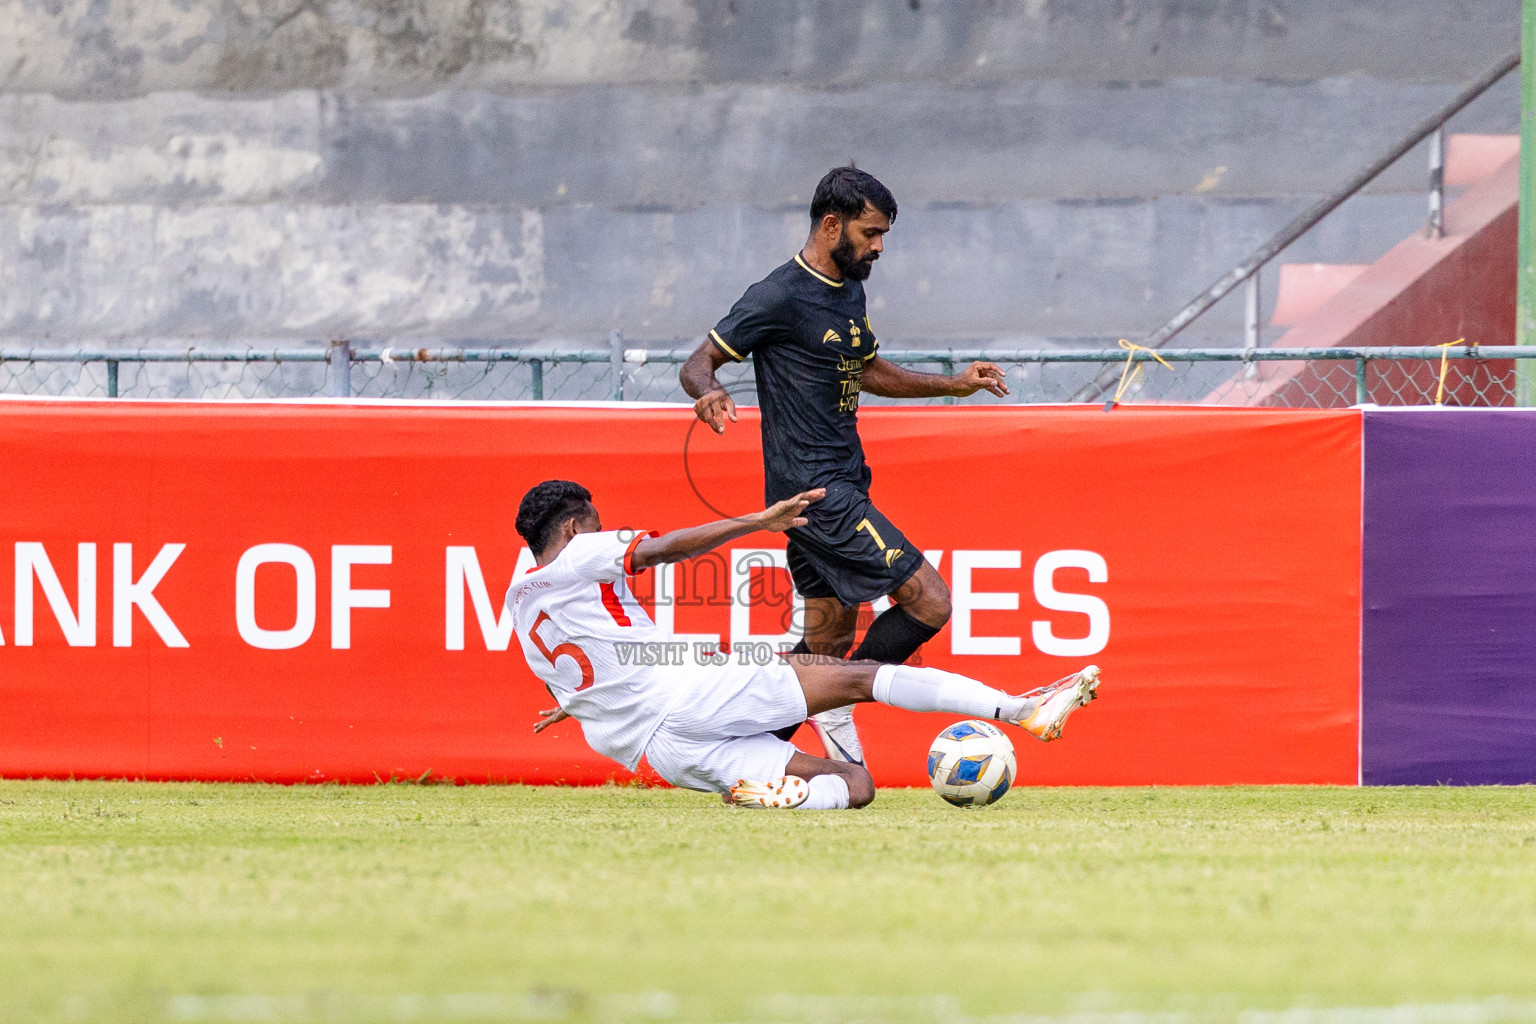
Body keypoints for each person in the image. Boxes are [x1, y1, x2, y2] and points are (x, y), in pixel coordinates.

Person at [679, 165, 1012, 766]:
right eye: (871, 233)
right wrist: (707, 392)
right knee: (930, 602)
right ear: (832, 224)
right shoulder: (777, 295)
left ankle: (738, 758)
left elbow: (870, 369)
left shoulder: (849, 285)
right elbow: (698, 362)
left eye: (883, 234)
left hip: (837, 484)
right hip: (818, 492)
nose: (879, 247)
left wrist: (954, 385)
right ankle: (837, 700)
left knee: (823, 646)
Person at [507, 479, 1100, 810]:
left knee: (853, 786)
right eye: (597, 522)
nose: (605, 531)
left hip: (659, 751)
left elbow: (579, 660)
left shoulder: (518, 591)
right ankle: (1024, 711)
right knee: (856, 674)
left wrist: (580, 699)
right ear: (572, 528)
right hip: (685, 695)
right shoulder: (581, 549)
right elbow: (664, 549)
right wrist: (755, 521)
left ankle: (779, 797)